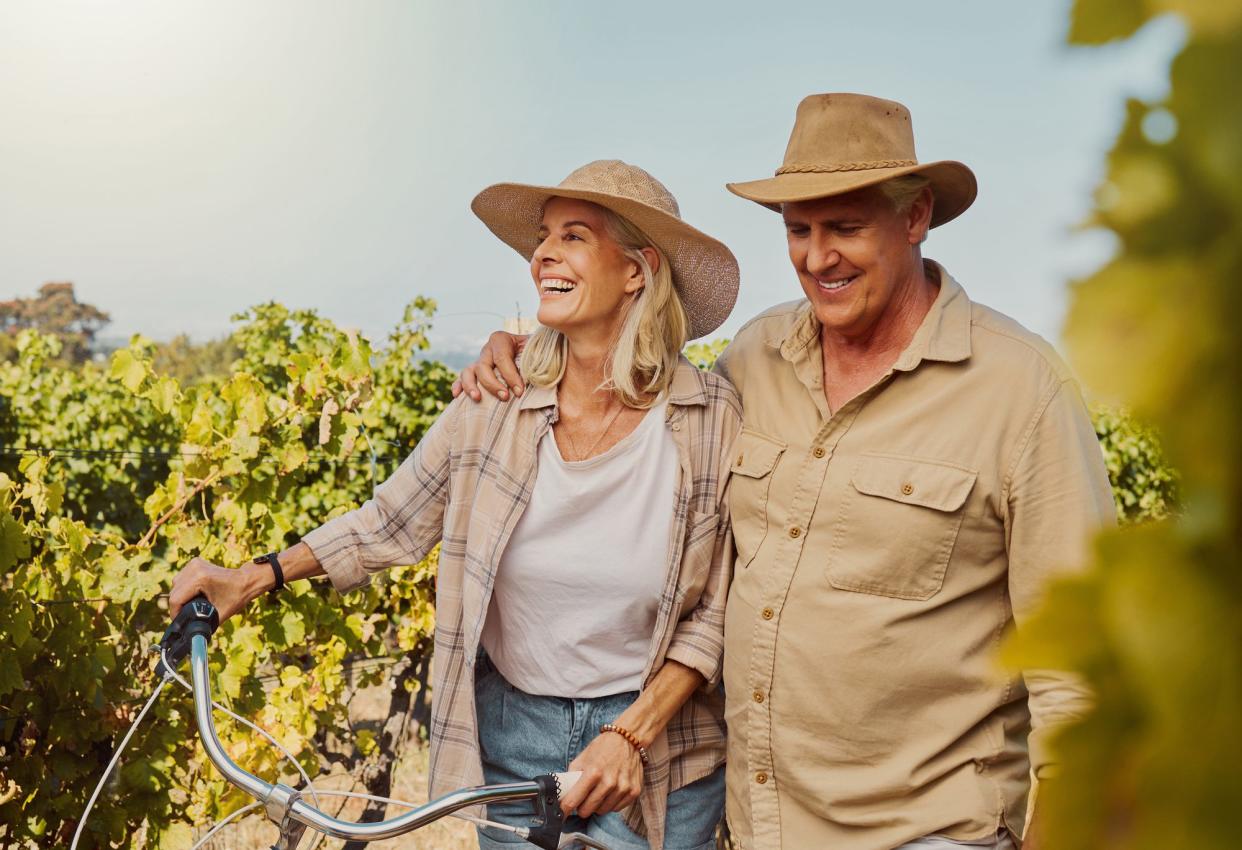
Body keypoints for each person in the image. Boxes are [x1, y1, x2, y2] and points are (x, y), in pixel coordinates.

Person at [454, 94, 1117, 850]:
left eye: (845, 228)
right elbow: (624, 384)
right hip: (758, 823)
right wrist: (515, 352)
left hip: (929, 833)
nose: (816, 256)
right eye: (798, 230)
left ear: (916, 216)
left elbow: (1081, 668)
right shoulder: (755, 361)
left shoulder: (1021, 390)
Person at [170, 159, 745, 850]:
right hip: (514, 733)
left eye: (574, 237)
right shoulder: (495, 403)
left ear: (636, 270)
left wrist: (631, 733)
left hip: (661, 744)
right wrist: (256, 575)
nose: (542, 255)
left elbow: (714, 610)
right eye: (542, 237)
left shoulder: (708, 415)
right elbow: (391, 521)